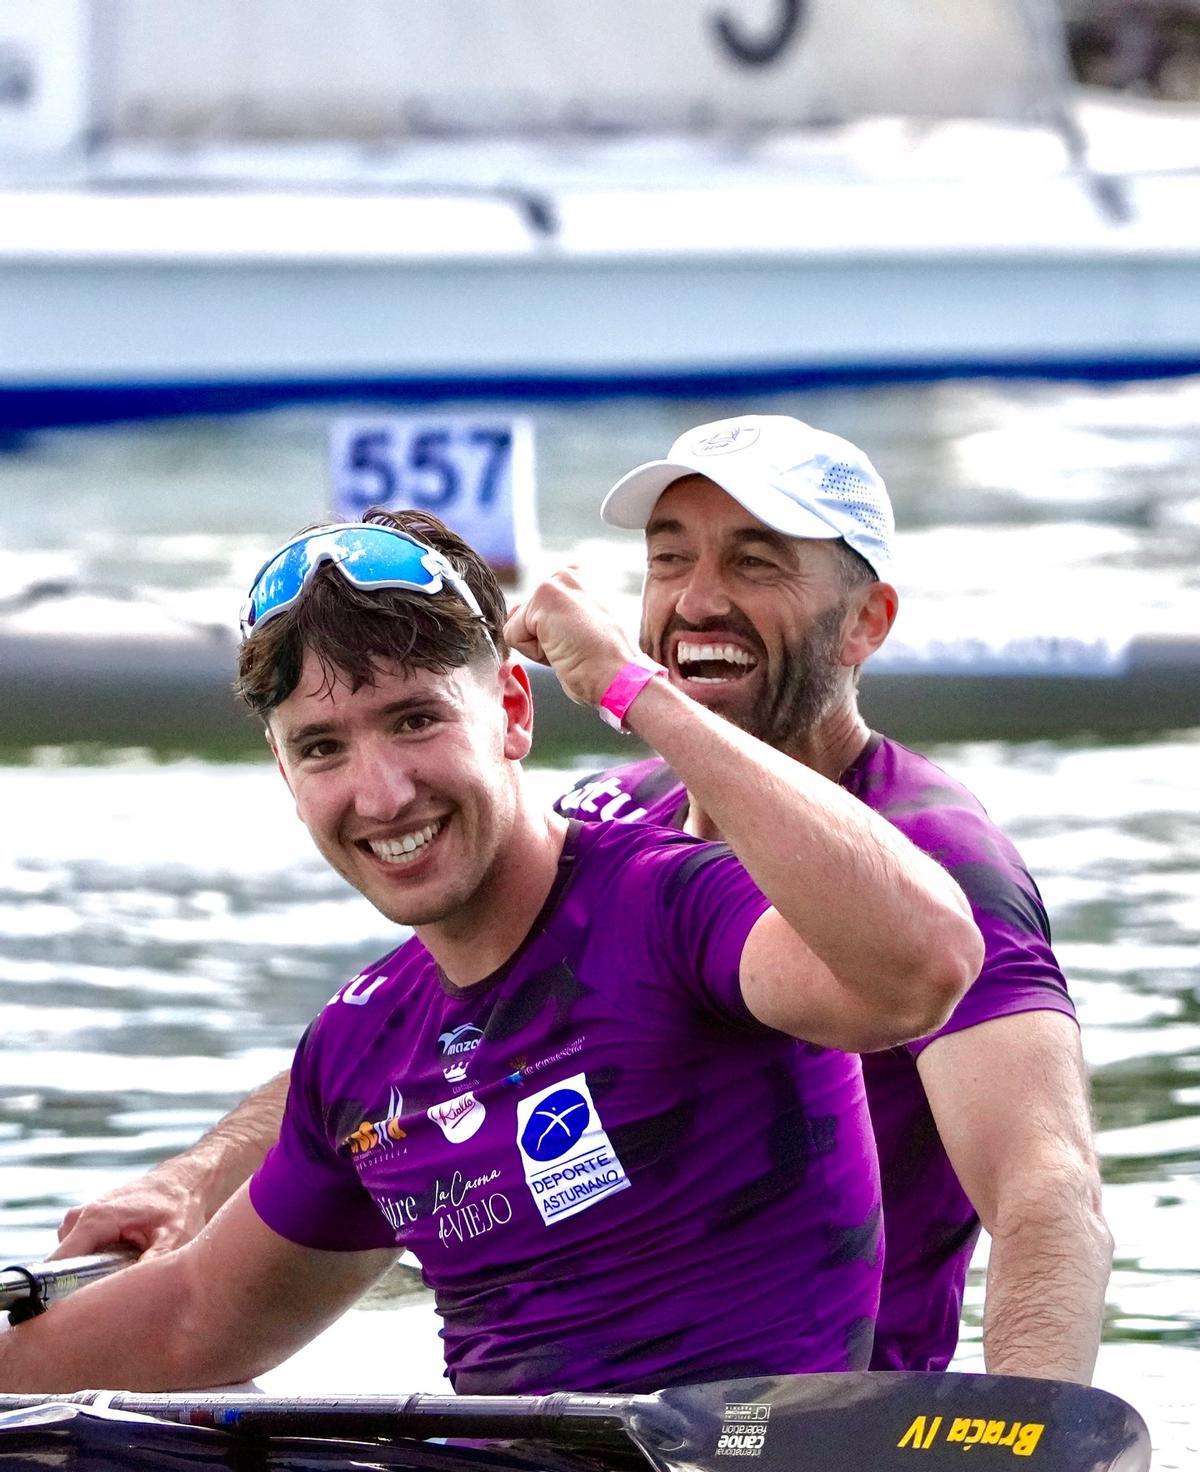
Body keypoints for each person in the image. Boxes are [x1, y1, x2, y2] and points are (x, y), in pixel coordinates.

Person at [54, 412, 1111, 1383]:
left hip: (823, 1439)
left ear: (864, 624)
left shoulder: (933, 851)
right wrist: (199, 1174)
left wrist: (1014, 1452)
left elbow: (1047, 1192)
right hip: (581, 1431)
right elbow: (438, 1022)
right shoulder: (614, 809)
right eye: (669, 558)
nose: (698, 598)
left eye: (755, 562)